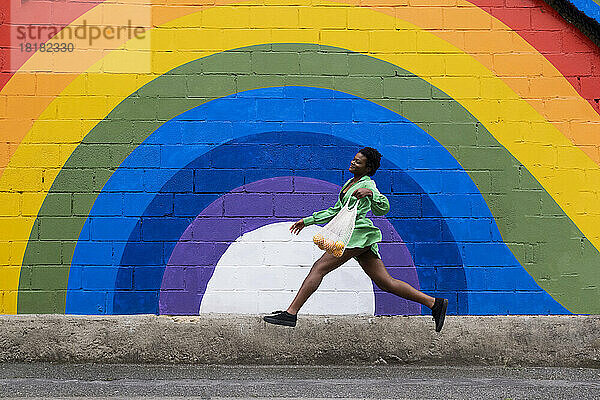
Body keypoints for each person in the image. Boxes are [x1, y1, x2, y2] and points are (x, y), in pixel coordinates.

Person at [263, 147, 448, 332]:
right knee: (385, 282)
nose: (353, 162)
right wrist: (307, 221)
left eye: (358, 162)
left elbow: (383, 208)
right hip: (359, 239)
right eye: (354, 159)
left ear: (368, 168)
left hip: (357, 235)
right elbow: (336, 211)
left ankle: (291, 313)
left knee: (319, 268)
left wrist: (371, 194)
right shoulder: (350, 183)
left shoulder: (367, 184)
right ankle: (434, 303)